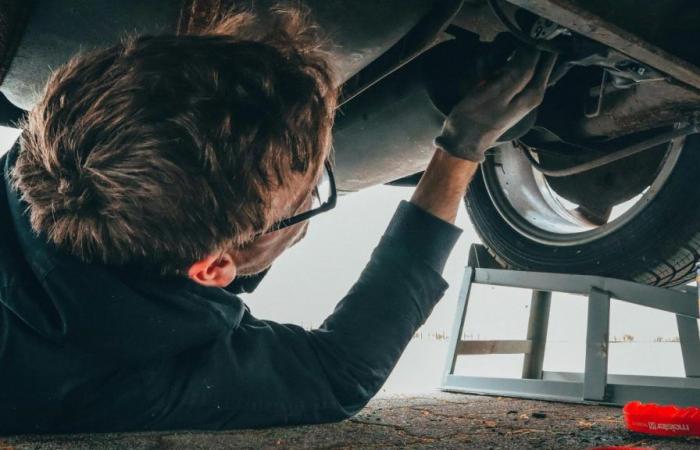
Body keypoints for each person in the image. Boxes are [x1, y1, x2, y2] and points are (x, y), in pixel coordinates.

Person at [0, 7, 556, 434]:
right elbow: (340, 372)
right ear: (214, 266)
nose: (311, 198)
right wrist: (460, 149)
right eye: (309, 194)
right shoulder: (128, 382)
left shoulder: (61, 143)